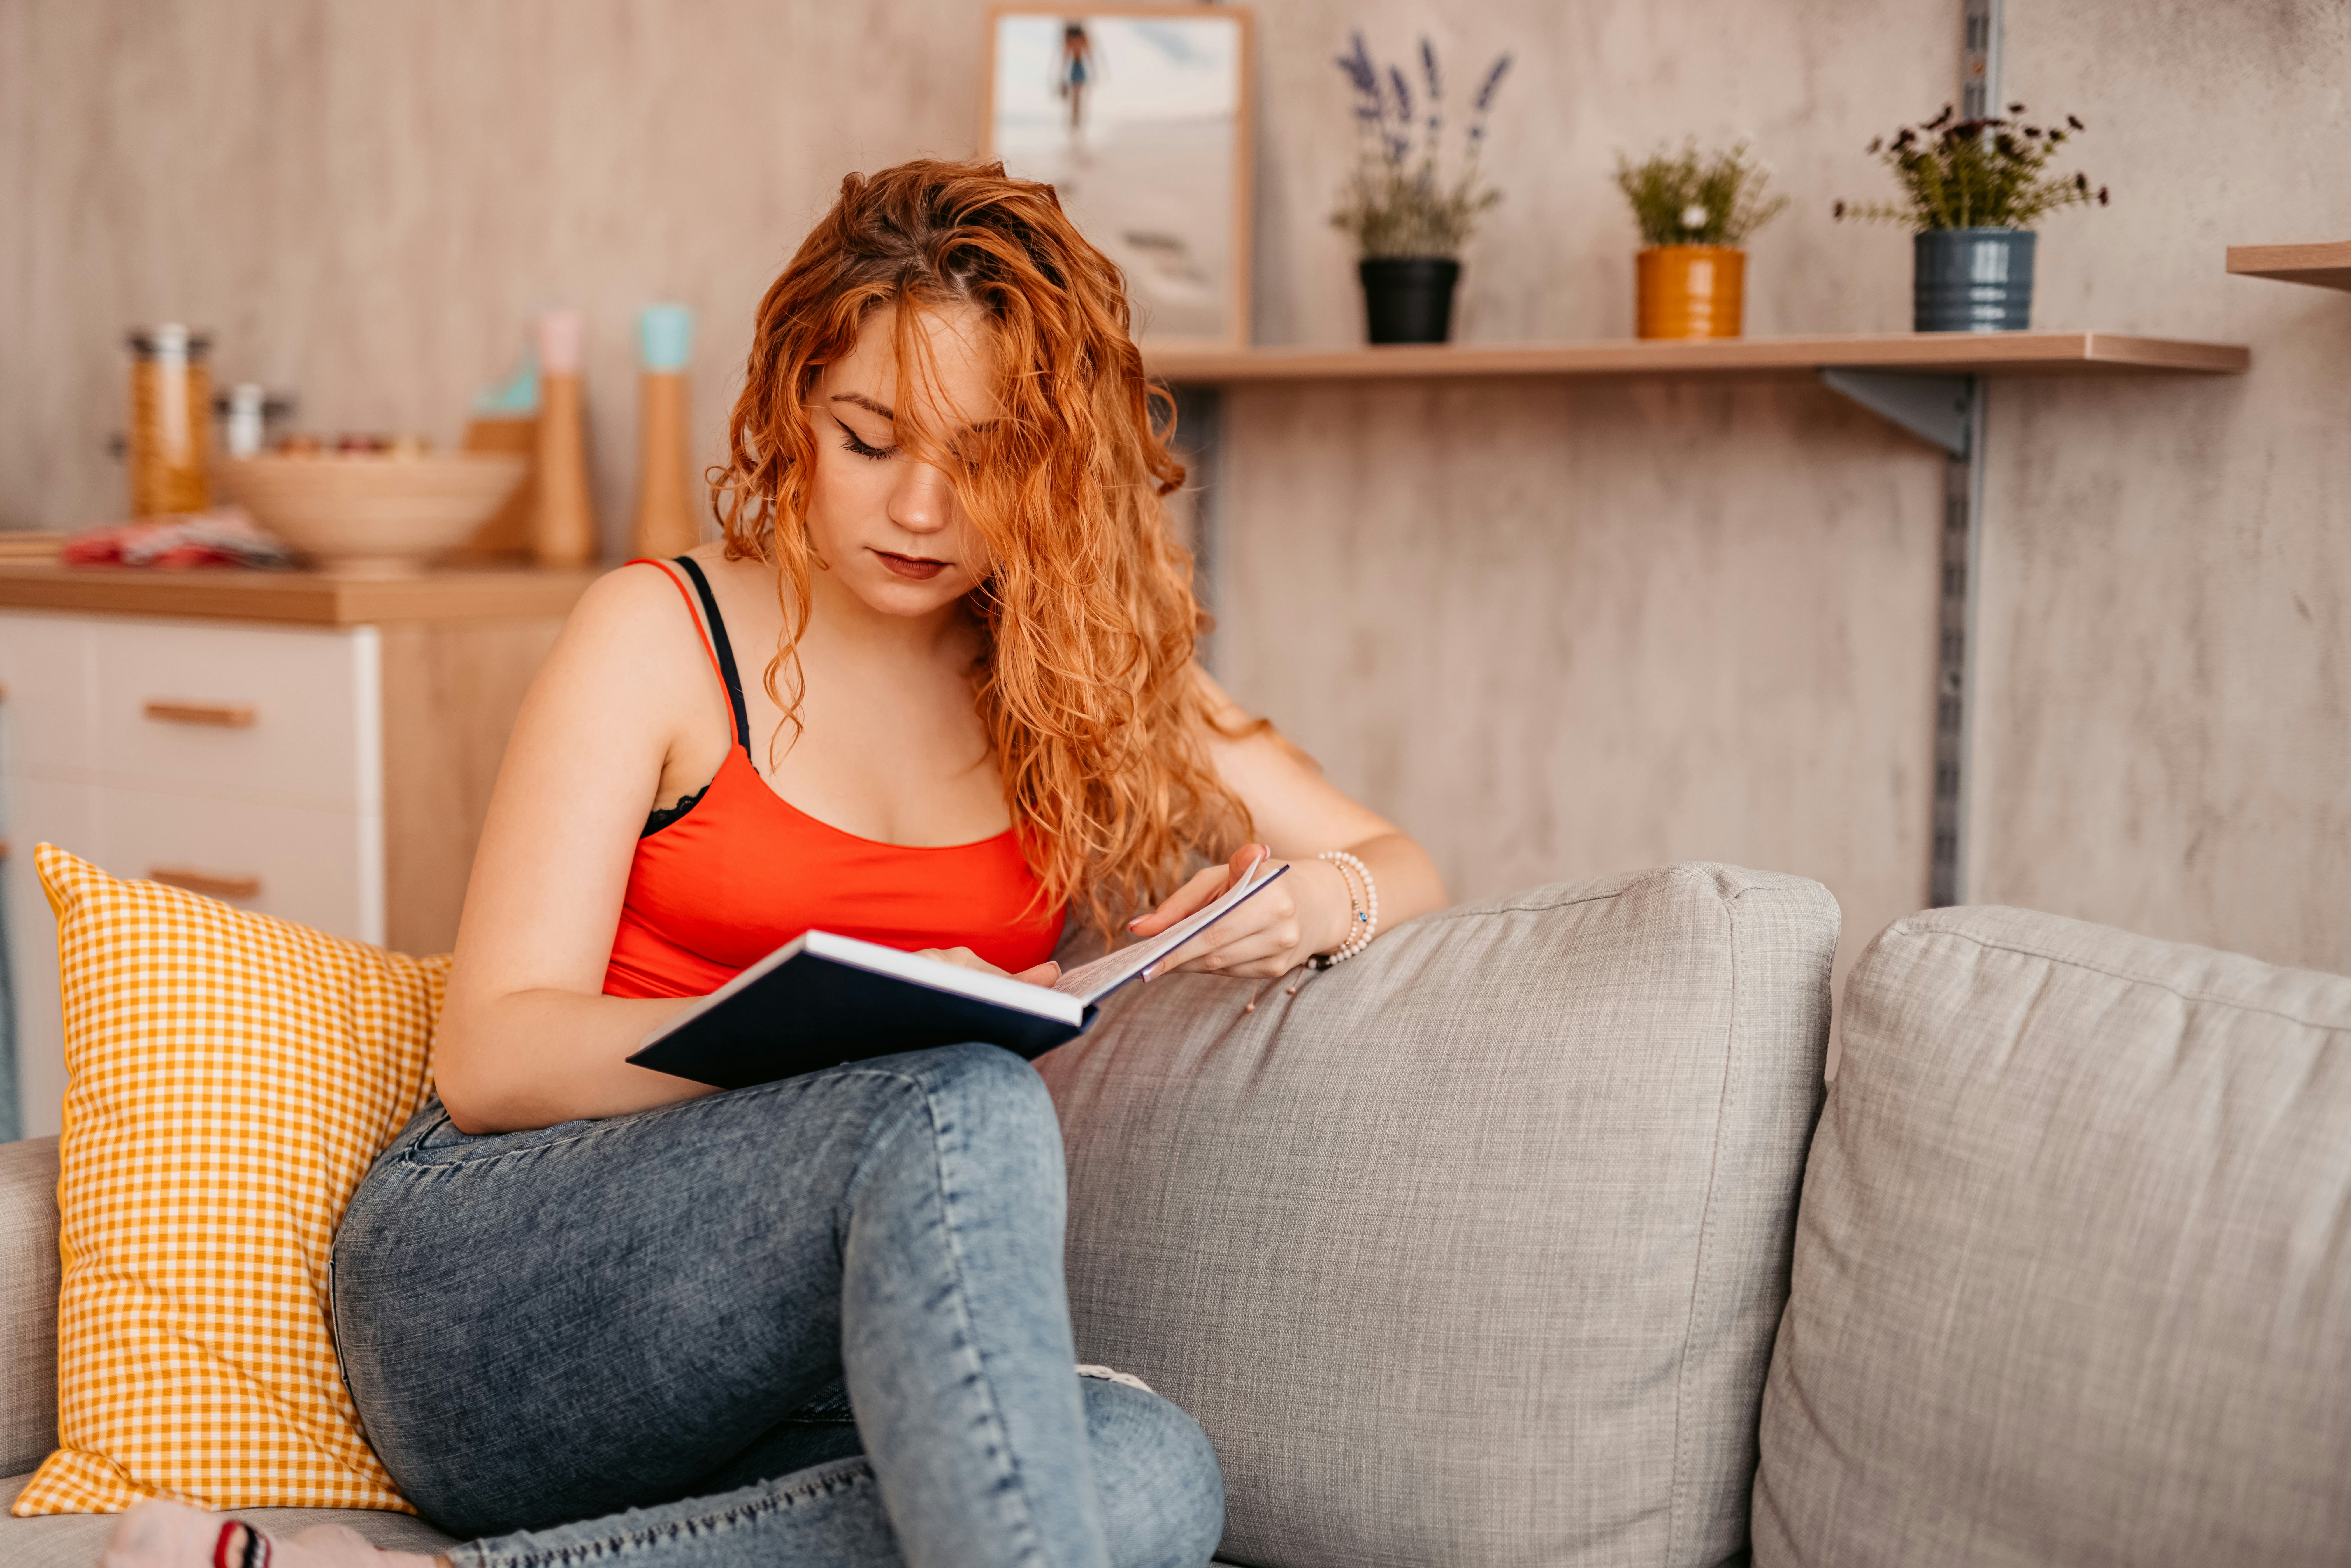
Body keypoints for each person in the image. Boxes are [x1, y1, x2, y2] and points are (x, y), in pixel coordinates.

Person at [103, 158, 1446, 1568]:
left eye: (983, 457)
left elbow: (1394, 858)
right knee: (954, 1095)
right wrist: (844, 1033)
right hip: (495, 1291)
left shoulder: (1079, 678)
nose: (922, 509)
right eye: (870, 439)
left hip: (785, 1388)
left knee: (1151, 1471)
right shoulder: (656, 634)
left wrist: (1321, 901)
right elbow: (492, 1057)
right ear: (793, 407)